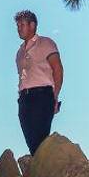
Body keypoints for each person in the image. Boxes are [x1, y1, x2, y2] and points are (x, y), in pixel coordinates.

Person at [14, 9, 63, 156]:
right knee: (32, 143)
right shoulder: (19, 52)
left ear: (32, 25)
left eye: (22, 25)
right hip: (24, 99)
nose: (18, 29)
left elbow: (58, 70)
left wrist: (54, 97)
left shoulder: (46, 43)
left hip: (42, 96)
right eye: (17, 26)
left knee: (41, 141)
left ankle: (48, 173)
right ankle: (40, 173)